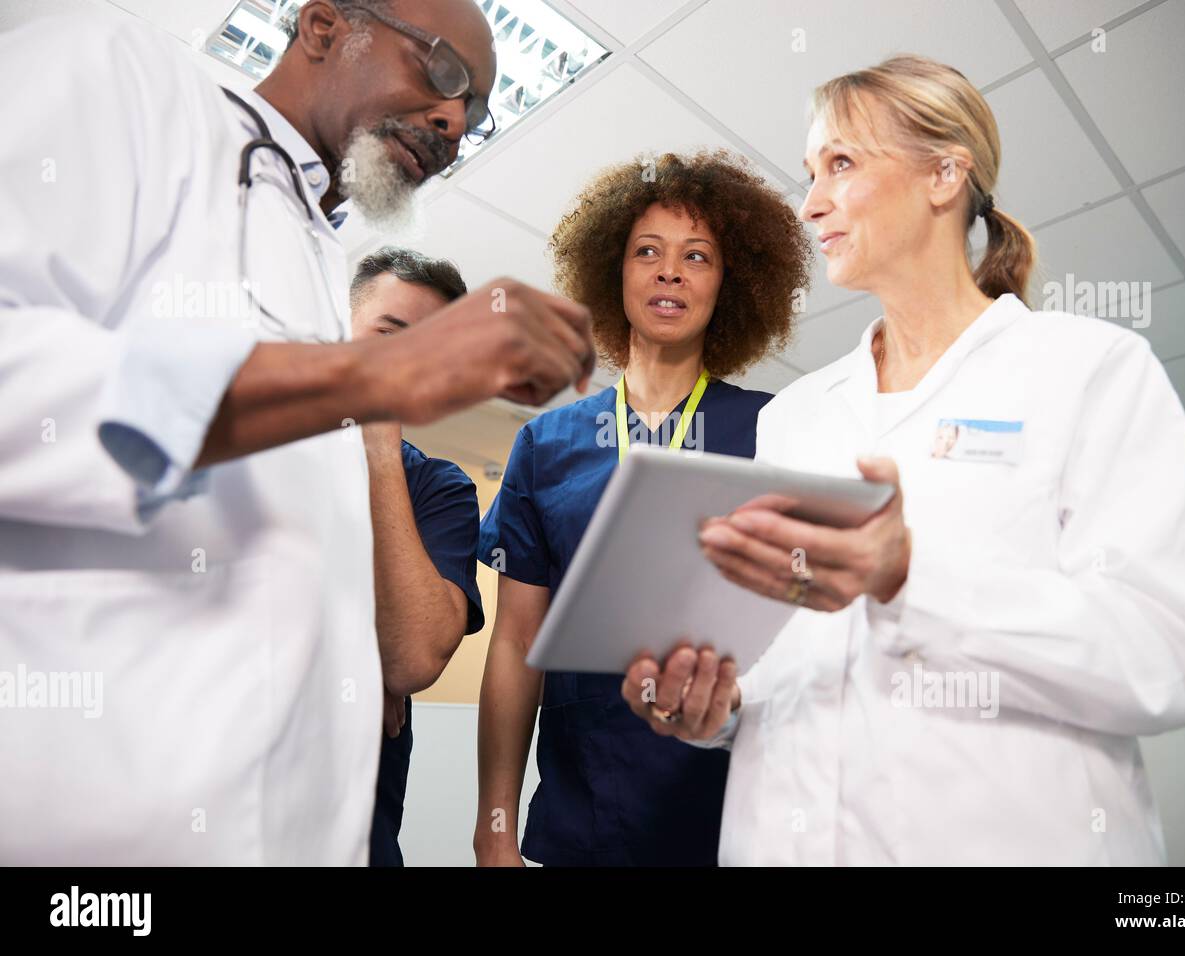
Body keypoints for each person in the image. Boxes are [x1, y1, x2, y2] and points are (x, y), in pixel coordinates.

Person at [0, 0, 593, 864]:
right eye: (445, 74)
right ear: (323, 26)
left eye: (476, 109)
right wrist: (371, 378)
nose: (454, 121)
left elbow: (387, 645)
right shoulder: (127, 72)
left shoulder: (315, 254)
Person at [621, 55, 1185, 865]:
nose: (811, 204)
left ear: (946, 174)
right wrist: (720, 706)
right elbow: (787, 661)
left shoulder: (1091, 369)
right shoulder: (798, 415)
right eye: (812, 172)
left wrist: (911, 578)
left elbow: (1175, 659)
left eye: (840, 164)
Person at [474, 151, 812, 866]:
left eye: (698, 257)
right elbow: (513, 645)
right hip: (585, 809)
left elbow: (801, 628)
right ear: (613, 273)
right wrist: (496, 823)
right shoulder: (547, 444)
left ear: (731, 285)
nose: (669, 271)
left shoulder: (776, 428)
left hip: (733, 808)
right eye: (647, 252)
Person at [348, 247, 485, 866]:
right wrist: (350, 667)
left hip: (357, 829)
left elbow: (410, 658)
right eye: (388, 335)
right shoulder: (256, 448)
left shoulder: (439, 487)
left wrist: (379, 438)